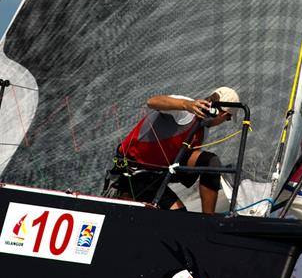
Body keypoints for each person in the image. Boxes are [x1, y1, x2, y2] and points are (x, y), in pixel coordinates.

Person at [102, 86, 240, 213]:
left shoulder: (203, 130)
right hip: (134, 171)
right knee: (179, 217)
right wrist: (186, 106)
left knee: (211, 163)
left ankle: (208, 220)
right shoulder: (185, 108)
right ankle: (122, 192)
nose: (223, 122)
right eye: (227, 119)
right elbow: (152, 102)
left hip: (159, 172)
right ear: (223, 114)